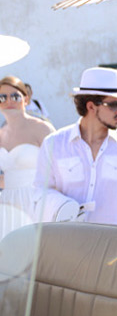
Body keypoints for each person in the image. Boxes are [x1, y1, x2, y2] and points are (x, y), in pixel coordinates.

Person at [34, 67, 117, 225]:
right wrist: (64, 206)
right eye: (114, 105)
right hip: (71, 243)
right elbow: (40, 192)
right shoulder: (54, 144)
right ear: (91, 107)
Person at [0, 75, 54, 215]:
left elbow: (60, 170)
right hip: (6, 205)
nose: (9, 101)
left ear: (26, 99)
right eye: (2, 97)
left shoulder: (42, 128)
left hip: (36, 202)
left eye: (15, 96)